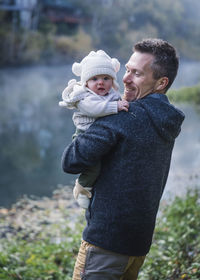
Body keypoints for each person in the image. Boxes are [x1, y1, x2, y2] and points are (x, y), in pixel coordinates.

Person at [61, 38, 185, 280]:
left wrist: (88, 120)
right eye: (127, 70)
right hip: (137, 245)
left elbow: (71, 161)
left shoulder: (121, 116)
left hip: (105, 245)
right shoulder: (166, 119)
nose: (126, 79)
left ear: (161, 83)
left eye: (137, 74)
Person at [59, 50, 129, 209]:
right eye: (94, 79)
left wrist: (122, 103)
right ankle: (83, 187)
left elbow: (118, 101)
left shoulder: (111, 94)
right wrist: (116, 106)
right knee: (93, 167)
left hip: (100, 134)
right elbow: (95, 110)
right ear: (86, 83)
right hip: (84, 134)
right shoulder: (84, 96)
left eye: (106, 78)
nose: (101, 83)